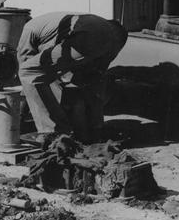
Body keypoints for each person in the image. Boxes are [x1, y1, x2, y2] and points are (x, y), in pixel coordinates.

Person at [17, 13, 128, 142]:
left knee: (28, 71)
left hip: (88, 35)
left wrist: (20, 113)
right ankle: (94, 128)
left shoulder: (27, 29)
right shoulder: (47, 22)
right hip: (112, 34)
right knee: (92, 77)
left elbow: (28, 71)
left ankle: (53, 132)